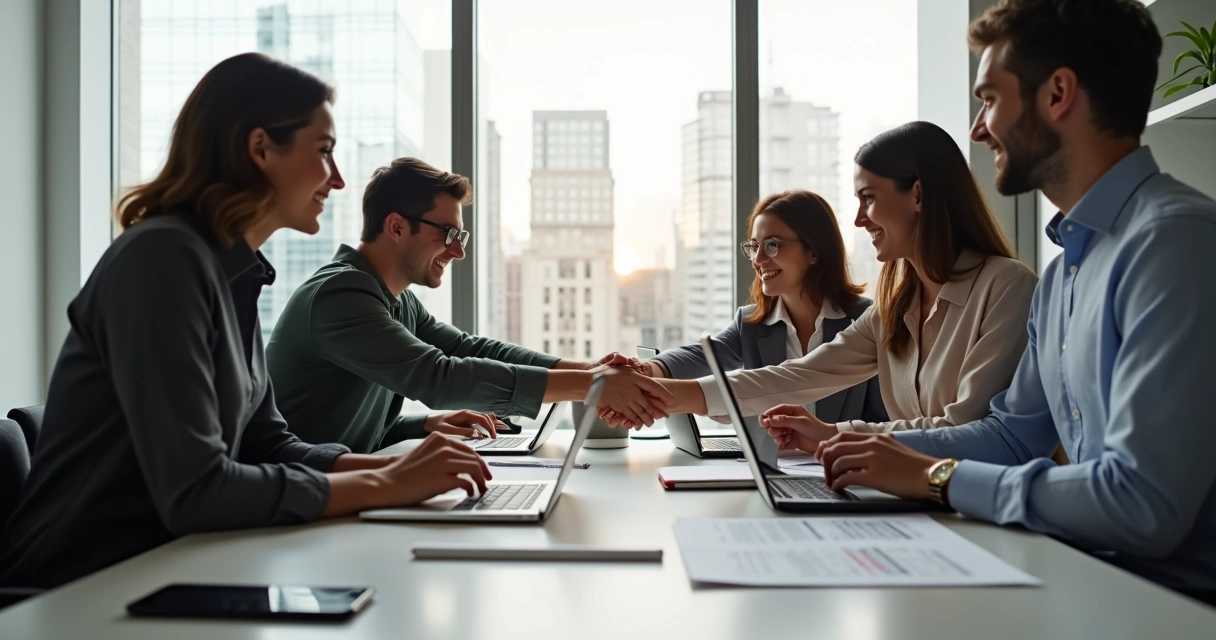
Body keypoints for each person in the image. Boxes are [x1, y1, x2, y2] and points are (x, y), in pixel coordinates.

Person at [0, 53, 494, 590]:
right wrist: (387, 484)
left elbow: (271, 446)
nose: (338, 180)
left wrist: (398, 471)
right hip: (78, 588)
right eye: (324, 152)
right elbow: (198, 489)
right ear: (260, 148)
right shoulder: (162, 260)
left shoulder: (232, 272)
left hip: (171, 566)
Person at [810, 0, 1216, 601]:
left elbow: (1141, 505)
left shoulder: (1175, 243)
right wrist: (875, 449)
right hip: (1095, 579)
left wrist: (935, 476)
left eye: (990, 99)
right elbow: (1010, 436)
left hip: (1171, 604)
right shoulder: (1063, 274)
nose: (978, 129)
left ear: (1058, 94)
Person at [615, 122, 1037, 452]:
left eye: (868, 198)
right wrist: (662, 393)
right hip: (917, 501)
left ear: (919, 195)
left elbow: (967, 433)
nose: (858, 219)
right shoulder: (894, 306)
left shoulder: (1006, 288)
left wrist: (835, 435)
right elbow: (798, 376)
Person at [266, 157, 672, 454]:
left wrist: (590, 370)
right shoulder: (341, 296)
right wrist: (595, 386)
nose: (457, 253)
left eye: (461, 238)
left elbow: (470, 349)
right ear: (395, 226)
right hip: (296, 503)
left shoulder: (395, 300)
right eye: (448, 234)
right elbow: (438, 376)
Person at [631, 189, 887, 426]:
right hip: (768, 469)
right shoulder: (750, 324)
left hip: (842, 469)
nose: (759, 260)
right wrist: (644, 370)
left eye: (772, 245)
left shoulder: (866, 322)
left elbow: (884, 421)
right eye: (754, 247)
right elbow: (701, 357)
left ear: (814, 251)